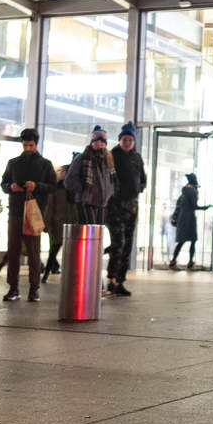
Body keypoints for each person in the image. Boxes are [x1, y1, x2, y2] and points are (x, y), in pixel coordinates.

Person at [0, 128, 56, 302]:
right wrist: (11, 187)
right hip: (15, 211)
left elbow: (53, 186)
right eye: (25, 145)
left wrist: (36, 186)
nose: (27, 148)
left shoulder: (45, 164)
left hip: (34, 212)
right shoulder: (13, 163)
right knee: (13, 250)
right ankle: (13, 288)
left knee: (33, 252)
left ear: (36, 144)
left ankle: (34, 289)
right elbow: (3, 183)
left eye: (30, 145)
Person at [107, 121, 146, 296]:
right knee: (118, 242)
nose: (127, 142)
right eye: (124, 139)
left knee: (128, 244)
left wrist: (139, 188)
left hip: (133, 205)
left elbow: (143, 178)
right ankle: (111, 279)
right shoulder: (112, 156)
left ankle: (120, 281)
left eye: (130, 139)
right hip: (115, 206)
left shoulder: (137, 158)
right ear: (120, 140)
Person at [66, 126, 116, 226]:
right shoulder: (83, 158)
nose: (99, 143)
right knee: (90, 232)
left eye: (103, 141)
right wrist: (84, 189)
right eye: (97, 140)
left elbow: (111, 180)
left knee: (98, 234)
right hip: (86, 202)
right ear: (92, 141)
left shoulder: (108, 160)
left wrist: (110, 193)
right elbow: (69, 180)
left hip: (102, 203)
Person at [169, 174, 209, 270]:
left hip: (182, 218)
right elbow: (194, 206)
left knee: (181, 241)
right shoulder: (192, 191)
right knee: (193, 240)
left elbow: (179, 204)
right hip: (189, 218)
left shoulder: (185, 190)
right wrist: (205, 207)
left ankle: (173, 261)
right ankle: (190, 263)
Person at [42, 165, 71, 284]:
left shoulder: (67, 189)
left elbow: (49, 209)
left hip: (60, 224)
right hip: (60, 224)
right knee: (54, 251)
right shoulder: (58, 189)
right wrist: (47, 224)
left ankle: (46, 275)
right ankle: (47, 274)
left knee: (53, 251)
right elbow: (49, 209)